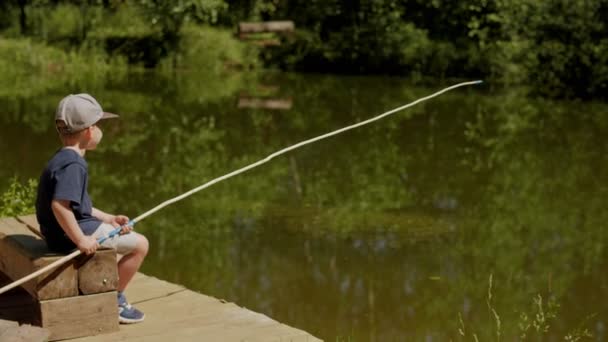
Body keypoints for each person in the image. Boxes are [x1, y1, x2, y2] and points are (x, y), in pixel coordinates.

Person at [35, 94, 148, 324]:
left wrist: (109, 218)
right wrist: (81, 240)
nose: (99, 130)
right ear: (88, 131)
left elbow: (78, 205)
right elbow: (60, 206)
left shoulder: (62, 158)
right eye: (97, 125)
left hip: (59, 232)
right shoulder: (74, 164)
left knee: (122, 234)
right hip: (68, 237)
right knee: (140, 246)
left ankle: (111, 291)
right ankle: (114, 299)